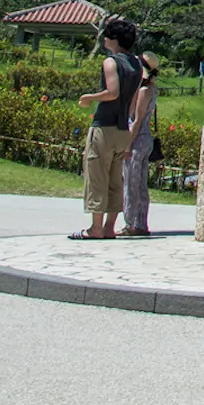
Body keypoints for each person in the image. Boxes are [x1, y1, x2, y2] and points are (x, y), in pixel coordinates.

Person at [72, 17, 141, 241]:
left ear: (114, 40)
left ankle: (95, 228)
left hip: (104, 126)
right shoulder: (137, 65)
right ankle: (110, 227)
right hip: (123, 129)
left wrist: (88, 97)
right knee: (115, 179)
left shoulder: (111, 62)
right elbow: (131, 102)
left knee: (97, 175)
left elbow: (112, 92)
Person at [119, 51, 162, 237]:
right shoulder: (152, 89)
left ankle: (131, 223)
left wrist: (127, 145)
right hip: (146, 139)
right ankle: (141, 222)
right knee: (140, 183)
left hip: (138, 138)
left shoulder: (144, 91)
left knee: (131, 182)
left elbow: (136, 120)